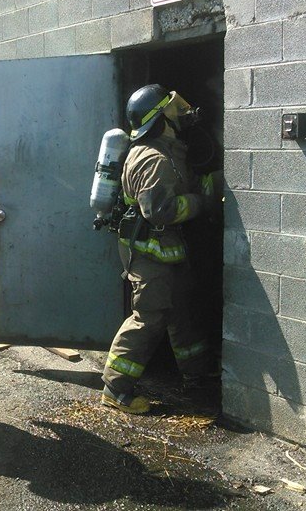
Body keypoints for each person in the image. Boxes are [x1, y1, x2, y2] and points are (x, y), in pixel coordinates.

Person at [100, 84, 217, 415]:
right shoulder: (153, 159)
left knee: (180, 308)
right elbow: (161, 210)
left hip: (166, 250)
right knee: (148, 318)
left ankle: (197, 374)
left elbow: (189, 184)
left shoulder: (169, 151)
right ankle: (115, 388)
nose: (178, 111)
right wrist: (201, 203)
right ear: (159, 119)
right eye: (170, 107)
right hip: (149, 253)